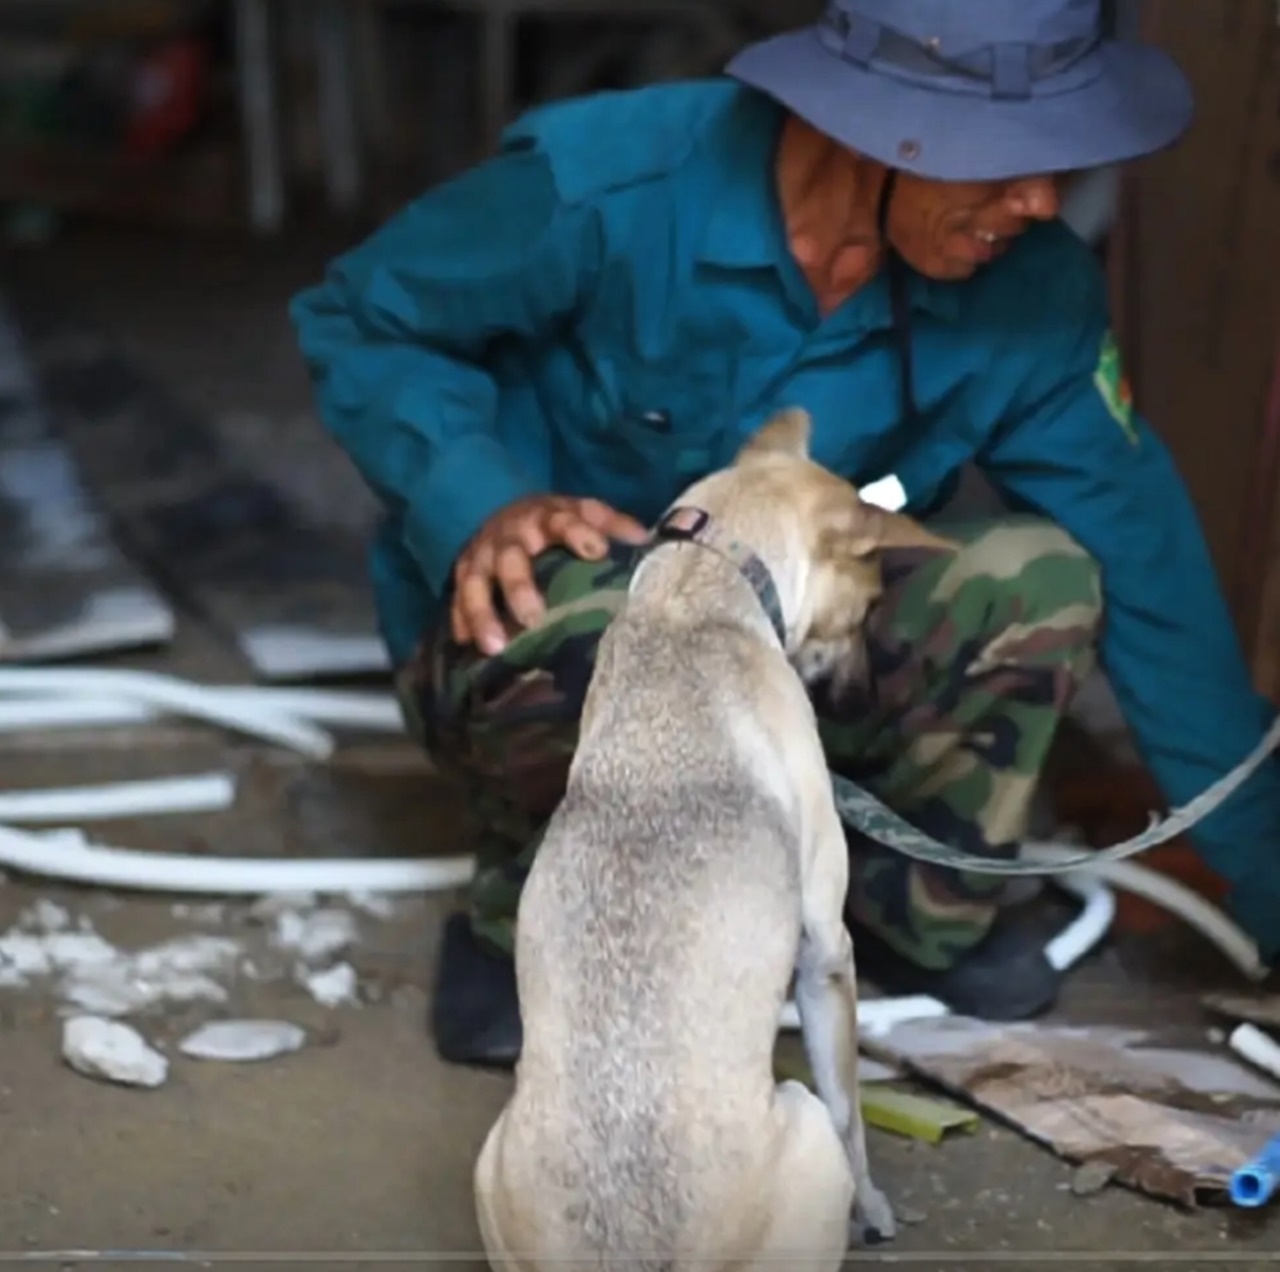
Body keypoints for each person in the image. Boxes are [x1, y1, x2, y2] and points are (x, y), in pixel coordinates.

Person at [292, 0, 1280, 1066]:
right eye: (1002, 161)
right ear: (871, 129)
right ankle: (529, 918)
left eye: (1059, 161)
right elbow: (361, 315)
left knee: (1037, 577)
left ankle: (911, 914)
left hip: (802, 657)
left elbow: (1151, 573)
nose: (1038, 201)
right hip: (556, 643)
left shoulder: (1033, 294)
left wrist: (1271, 889)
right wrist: (476, 496)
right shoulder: (613, 184)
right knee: (610, 607)